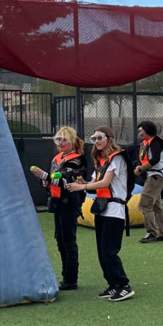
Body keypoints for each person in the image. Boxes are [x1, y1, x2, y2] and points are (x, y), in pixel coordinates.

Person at [66, 127, 135, 302]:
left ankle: (123, 285)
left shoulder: (117, 158)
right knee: (102, 251)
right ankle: (113, 285)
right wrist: (84, 182)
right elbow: (95, 183)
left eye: (99, 137)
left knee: (109, 251)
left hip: (114, 210)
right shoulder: (101, 161)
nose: (96, 141)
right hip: (103, 209)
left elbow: (105, 182)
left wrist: (82, 187)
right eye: (94, 138)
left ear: (109, 139)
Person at [30, 126, 87, 291]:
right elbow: (54, 178)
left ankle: (71, 279)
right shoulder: (56, 158)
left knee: (68, 240)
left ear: (72, 141)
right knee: (60, 239)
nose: (60, 143)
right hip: (57, 202)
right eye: (58, 139)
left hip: (70, 201)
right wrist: (46, 182)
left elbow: (66, 179)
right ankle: (65, 276)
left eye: (64, 139)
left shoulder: (78, 158)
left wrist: (46, 176)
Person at [134, 120, 163, 243]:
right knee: (156, 206)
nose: (139, 133)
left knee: (145, 204)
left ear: (148, 129)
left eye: (141, 130)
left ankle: (152, 233)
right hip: (152, 175)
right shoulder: (145, 143)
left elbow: (155, 159)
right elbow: (143, 160)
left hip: (155, 176)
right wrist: (139, 168)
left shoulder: (156, 141)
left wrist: (140, 169)